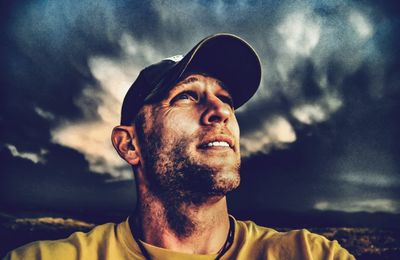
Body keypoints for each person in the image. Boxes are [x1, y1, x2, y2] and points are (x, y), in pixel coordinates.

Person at [5, 33, 355, 259]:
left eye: (226, 99)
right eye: (187, 96)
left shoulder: (311, 254)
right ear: (130, 145)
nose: (220, 111)